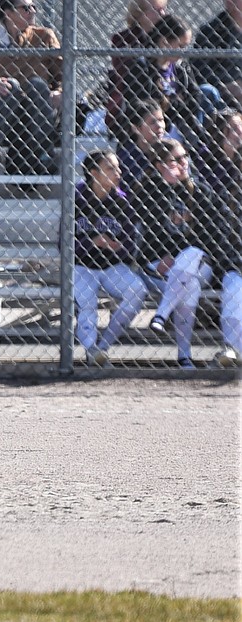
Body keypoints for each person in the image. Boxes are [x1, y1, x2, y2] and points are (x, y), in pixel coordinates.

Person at [131, 138, 222, 368]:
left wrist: (177, 255)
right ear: (161, 165)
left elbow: (212, 233)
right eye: (176, 160)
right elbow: (149, 233)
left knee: (190, 254)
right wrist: (166, 186)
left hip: (198, 264)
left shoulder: (200, 189)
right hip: (159, 267)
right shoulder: (149, 190)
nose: (183, 163)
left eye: (185, 157)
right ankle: (184, 356)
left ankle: (161, 314)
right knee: (188, 285)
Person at [72, 150, 147, 367]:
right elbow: (64, 242)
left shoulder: (123, 202)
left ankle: (103, 345)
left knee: (137, 290)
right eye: (111, 168)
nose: (118, 172)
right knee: (87, 301)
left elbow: (131, 244)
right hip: (81, 265)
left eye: (118, 167)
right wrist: (92, 243)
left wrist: (118, 247)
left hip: (112, 266)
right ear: (94, 173)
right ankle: (90, 349)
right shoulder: (77, 199)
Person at [0, 0, 61, 176]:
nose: (32, 11)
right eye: (26, 8)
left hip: (38, 112)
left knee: (37, 84)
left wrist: (60, 92)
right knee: (10, 84)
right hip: (3, 114)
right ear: (8, 13)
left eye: (34, 7)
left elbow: (64, 76)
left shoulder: (44, 36)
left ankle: (44, 152)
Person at [119, 15, 212, 151]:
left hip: (182, 124)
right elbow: (147, 106)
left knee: (208, 91)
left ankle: (205, 146)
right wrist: (177, 101)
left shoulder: (181, 67)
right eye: (180, 46)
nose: (184, 52)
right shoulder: (141, 67)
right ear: (164, 42)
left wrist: (169, 101)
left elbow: (196, 97)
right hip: (156, 129)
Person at [197, 109, 242, 367]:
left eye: (240, 129)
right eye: (232, 130)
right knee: (234, 284)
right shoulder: (208, 163)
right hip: (224, 253)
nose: (238, 136)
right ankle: (233, 348)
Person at [106, 0, 170, 141]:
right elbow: (125, 72)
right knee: (138, 67)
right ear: (141, 14)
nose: (163, 14)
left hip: (163, 85)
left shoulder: (165, 36)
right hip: (135, 91)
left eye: (164, 9)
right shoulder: (123, 39)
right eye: (157, 10)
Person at [192, 0, 242, 111]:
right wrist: (226, 85)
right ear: (229, 2)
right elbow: (200, 70)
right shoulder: (212, 31)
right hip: (225, 94)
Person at [117, 99, 168, 186]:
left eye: (161, 120)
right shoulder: (125, 160)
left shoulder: (171, 150)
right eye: (153, 122)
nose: (159, 126)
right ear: (136, 128)